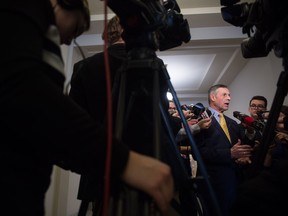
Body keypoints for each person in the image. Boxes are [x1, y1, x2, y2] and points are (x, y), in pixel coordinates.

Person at [0, 1, 174, 215]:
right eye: (77, 28)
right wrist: (123, 161)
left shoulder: (78, 63)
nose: (70, 39)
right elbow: (26, 91)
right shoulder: (23, 13)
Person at [69, 15, 127, 215]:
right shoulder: (151, 66)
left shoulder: (84, 67)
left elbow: (74, 121)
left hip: (98, 163)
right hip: (140, 164)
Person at [193, 84, 253, 216]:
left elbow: (239, 146)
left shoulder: (232, 123)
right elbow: (199, 152)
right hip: (214, 182)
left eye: (230, 95)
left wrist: (242, 157)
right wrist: (229, 153)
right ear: (213, 97)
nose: (229, 98)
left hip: (237, 180)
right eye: (224, 95)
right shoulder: (199, 122)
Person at [231, 105, 288, 216]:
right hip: (274, 184)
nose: (277, 120)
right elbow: (266, 165)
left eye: (280, 117)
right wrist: (268, 151)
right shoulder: (271, 137)